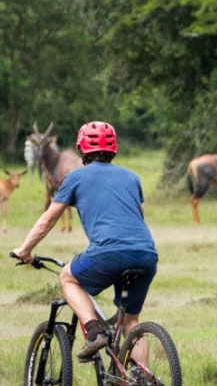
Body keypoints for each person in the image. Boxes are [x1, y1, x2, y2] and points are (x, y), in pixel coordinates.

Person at [12, 121, 158, 361]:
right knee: (131, 322)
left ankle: (93, 332)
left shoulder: (75, 177)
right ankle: (144, 382)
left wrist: (24, 249)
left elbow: (48, 219)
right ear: (114, 149)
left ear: (81, 149)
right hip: (146, 254)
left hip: (108, 253)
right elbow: (139, 216)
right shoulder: (132, 177)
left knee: (68, 277)